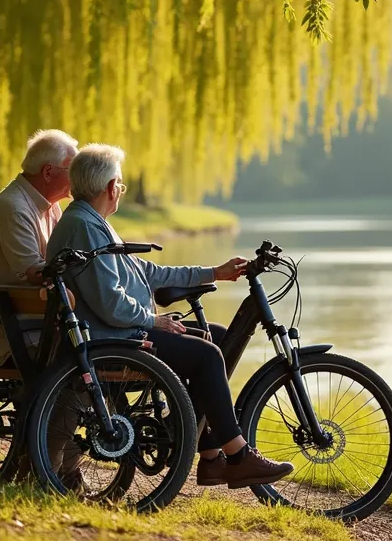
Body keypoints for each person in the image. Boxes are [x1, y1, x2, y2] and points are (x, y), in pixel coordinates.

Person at [47, 144, 294, 488]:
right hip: (110, 338)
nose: (120, 191)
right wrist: (153, 321)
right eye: (120, 185)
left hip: (116, 331)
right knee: (207, 355)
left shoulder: (92, 222)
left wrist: (212, 272)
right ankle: (236, 455)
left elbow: (147, 272)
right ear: (109, 187)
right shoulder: (85, 227)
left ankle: (208, 455)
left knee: (219, 338)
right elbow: (111, 304)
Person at [0, 128, 79, 367]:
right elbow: (35, 271)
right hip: (8, 333)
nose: (78, 176)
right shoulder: (15, 209)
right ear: (48, 172)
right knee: (77, 359)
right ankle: (61, 405)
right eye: (73, 169)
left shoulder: (50, 206)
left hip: (33, 321)